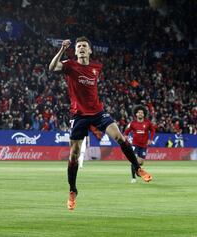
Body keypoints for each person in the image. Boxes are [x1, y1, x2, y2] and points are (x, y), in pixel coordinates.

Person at [48, 36, 152, 211]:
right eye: (79, 46)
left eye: (84, 46)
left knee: (119, 137)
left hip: (98, 112)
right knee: (74, 155)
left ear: (89, 50)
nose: (81, 48)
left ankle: (137, 168)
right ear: (75, 50)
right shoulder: (70, 65)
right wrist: (61, 50)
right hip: (79, 115)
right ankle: (73, 191)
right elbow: (52, 68)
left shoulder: (97, 67)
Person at [124, 105, 155, 183]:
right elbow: (127, 131)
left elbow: (153, 130)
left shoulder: (148, 122)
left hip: (144, 145)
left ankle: (138, 172)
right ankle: (133, 178)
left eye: (142, 113)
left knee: (140, 162)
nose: (140, 114)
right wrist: (126, 136)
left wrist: (151, 139)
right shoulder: (133, 123)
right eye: (139, 113)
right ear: (136, 114)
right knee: (134, 160)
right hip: (135, 145)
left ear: (144, 114)